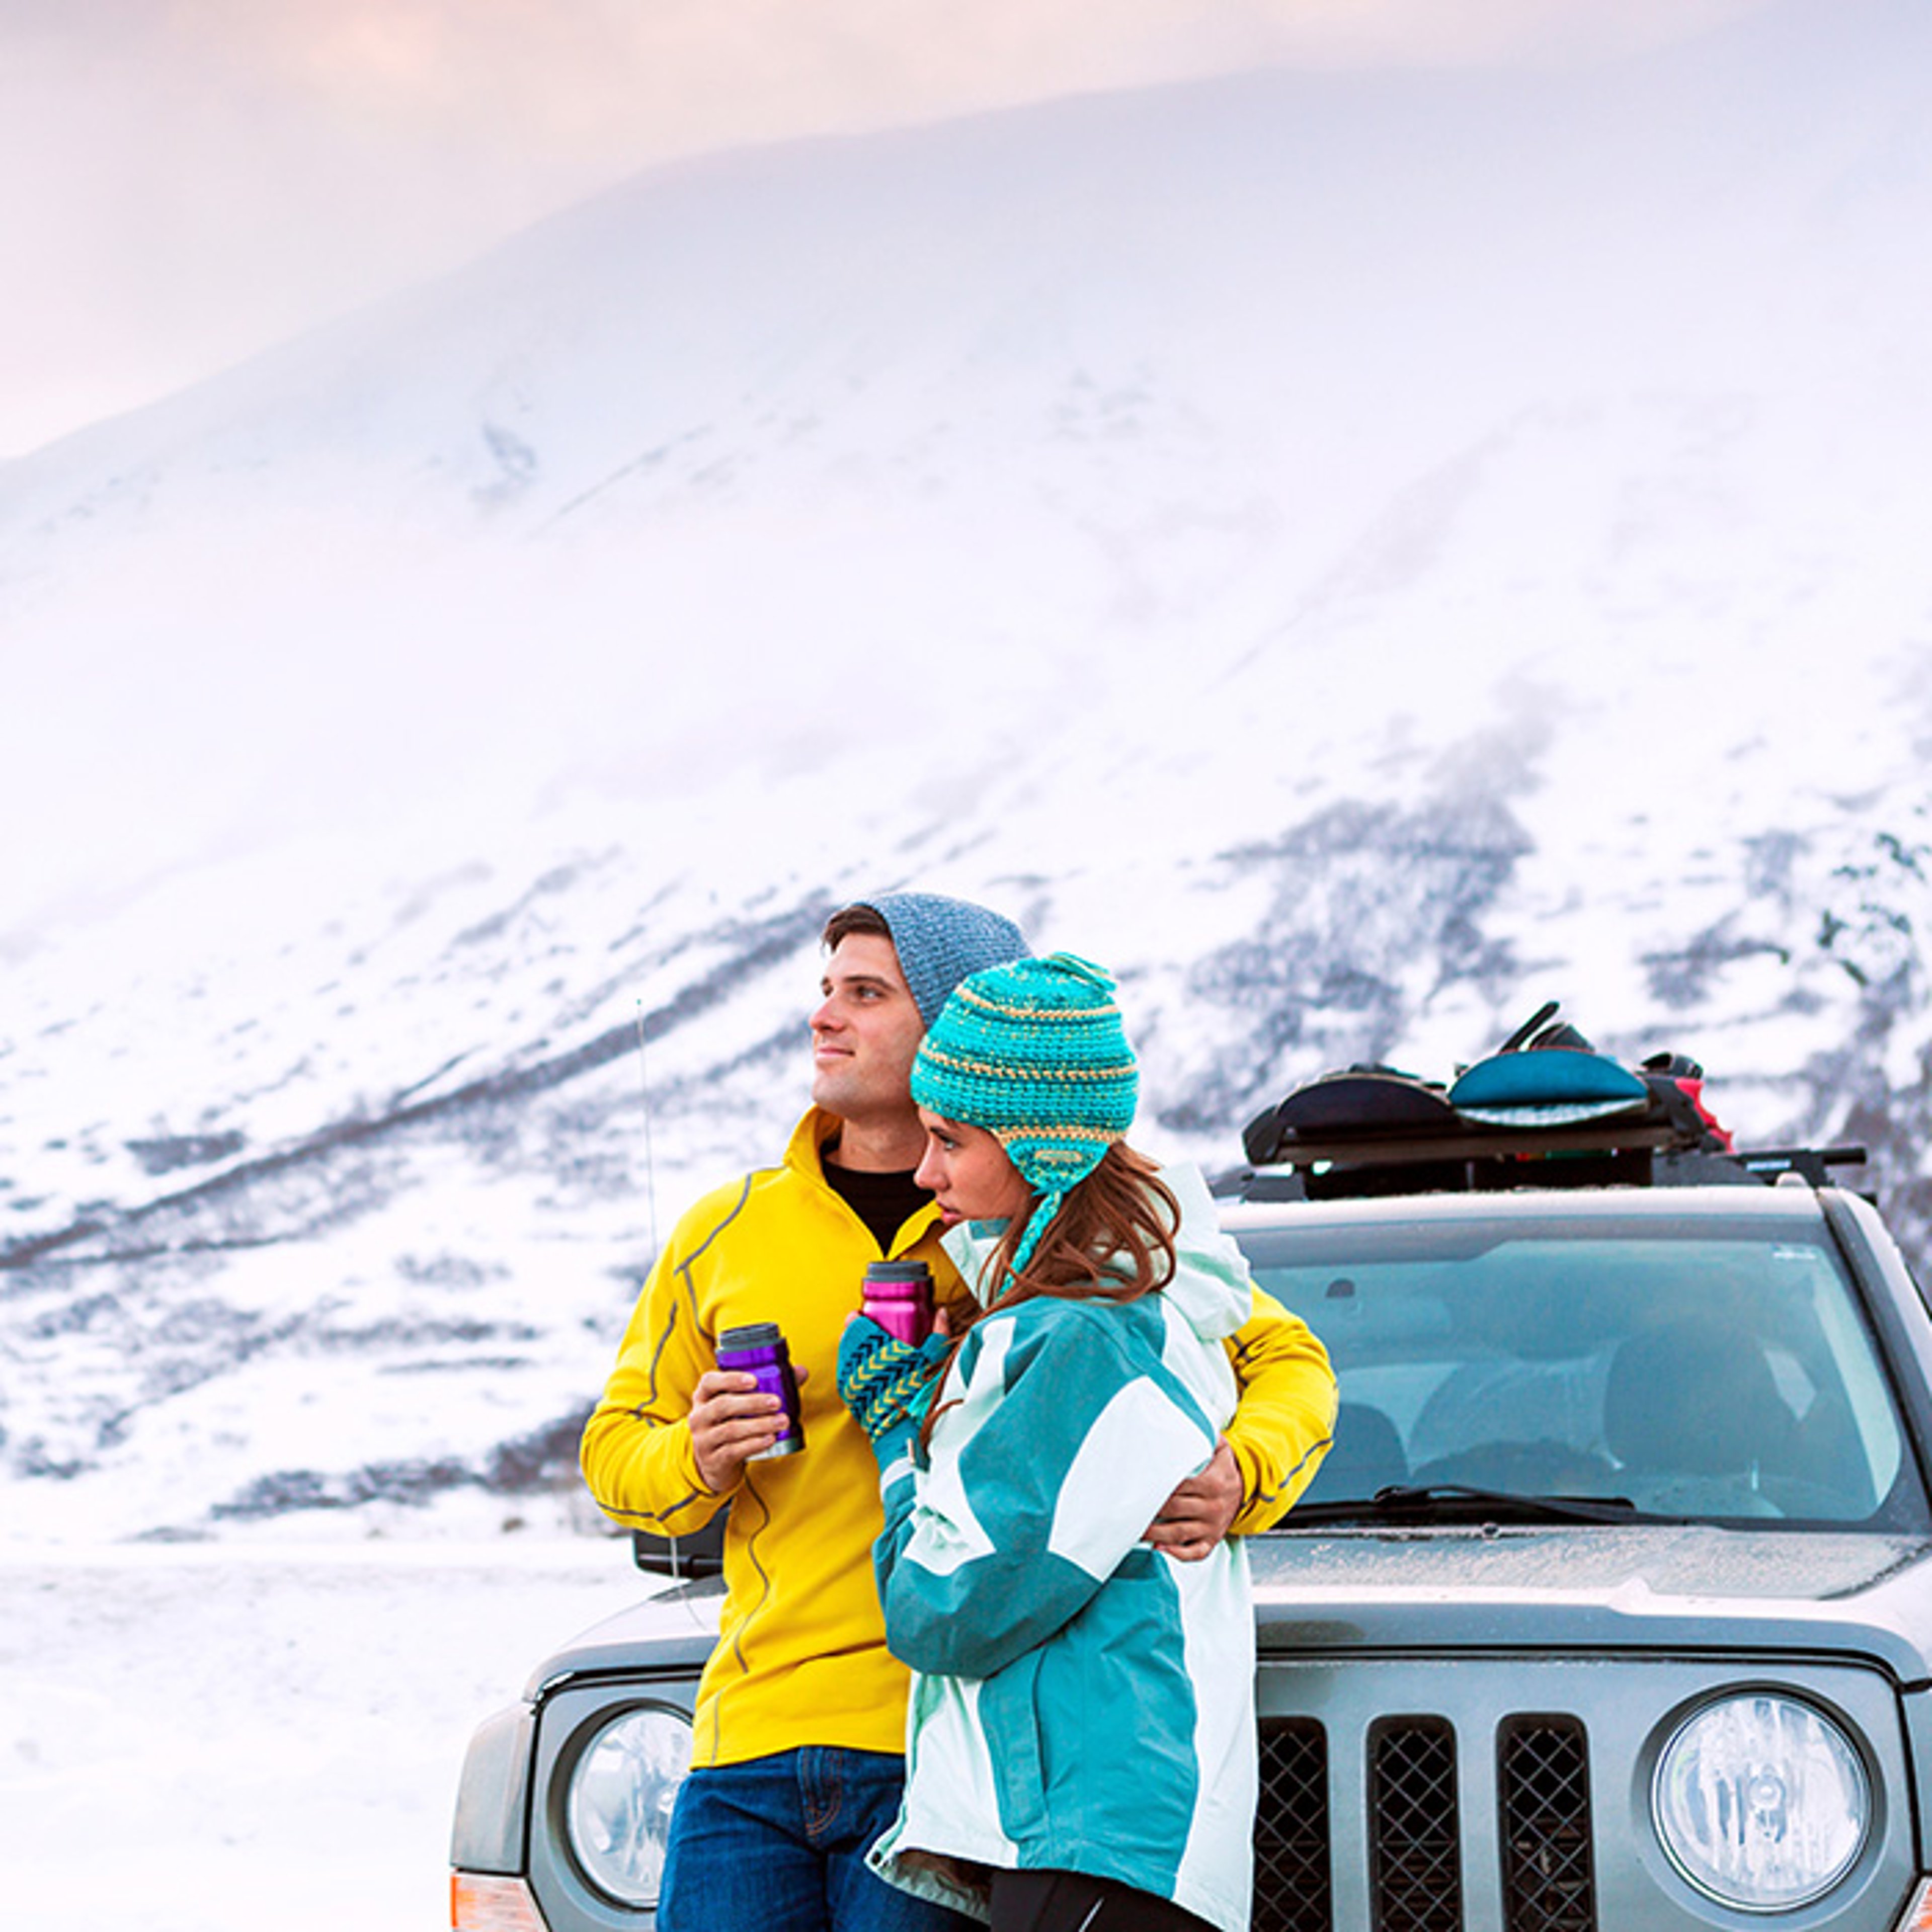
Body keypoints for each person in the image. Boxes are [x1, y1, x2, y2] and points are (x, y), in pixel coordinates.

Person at [581, 895, 1336, 1932]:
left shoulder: (1058, 1232)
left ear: (949, 1027)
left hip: (946, 1761)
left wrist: (1240, 1474)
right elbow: (617, 1452)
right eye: (825, 990)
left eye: (866, 993)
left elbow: (1282, 1359)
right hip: (747, 1740)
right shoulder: (728, 1230)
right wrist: (693, 1462)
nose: (824, 1018)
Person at [837, 952, 1264, 1932]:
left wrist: (902, 1441)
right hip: (1109, 1836)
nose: (924, 1170)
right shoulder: (1129, 1309)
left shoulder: (1081, 1334)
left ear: (1043, 1151)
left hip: (1099, 1838)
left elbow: (947, 1609)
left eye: (949, 1140)